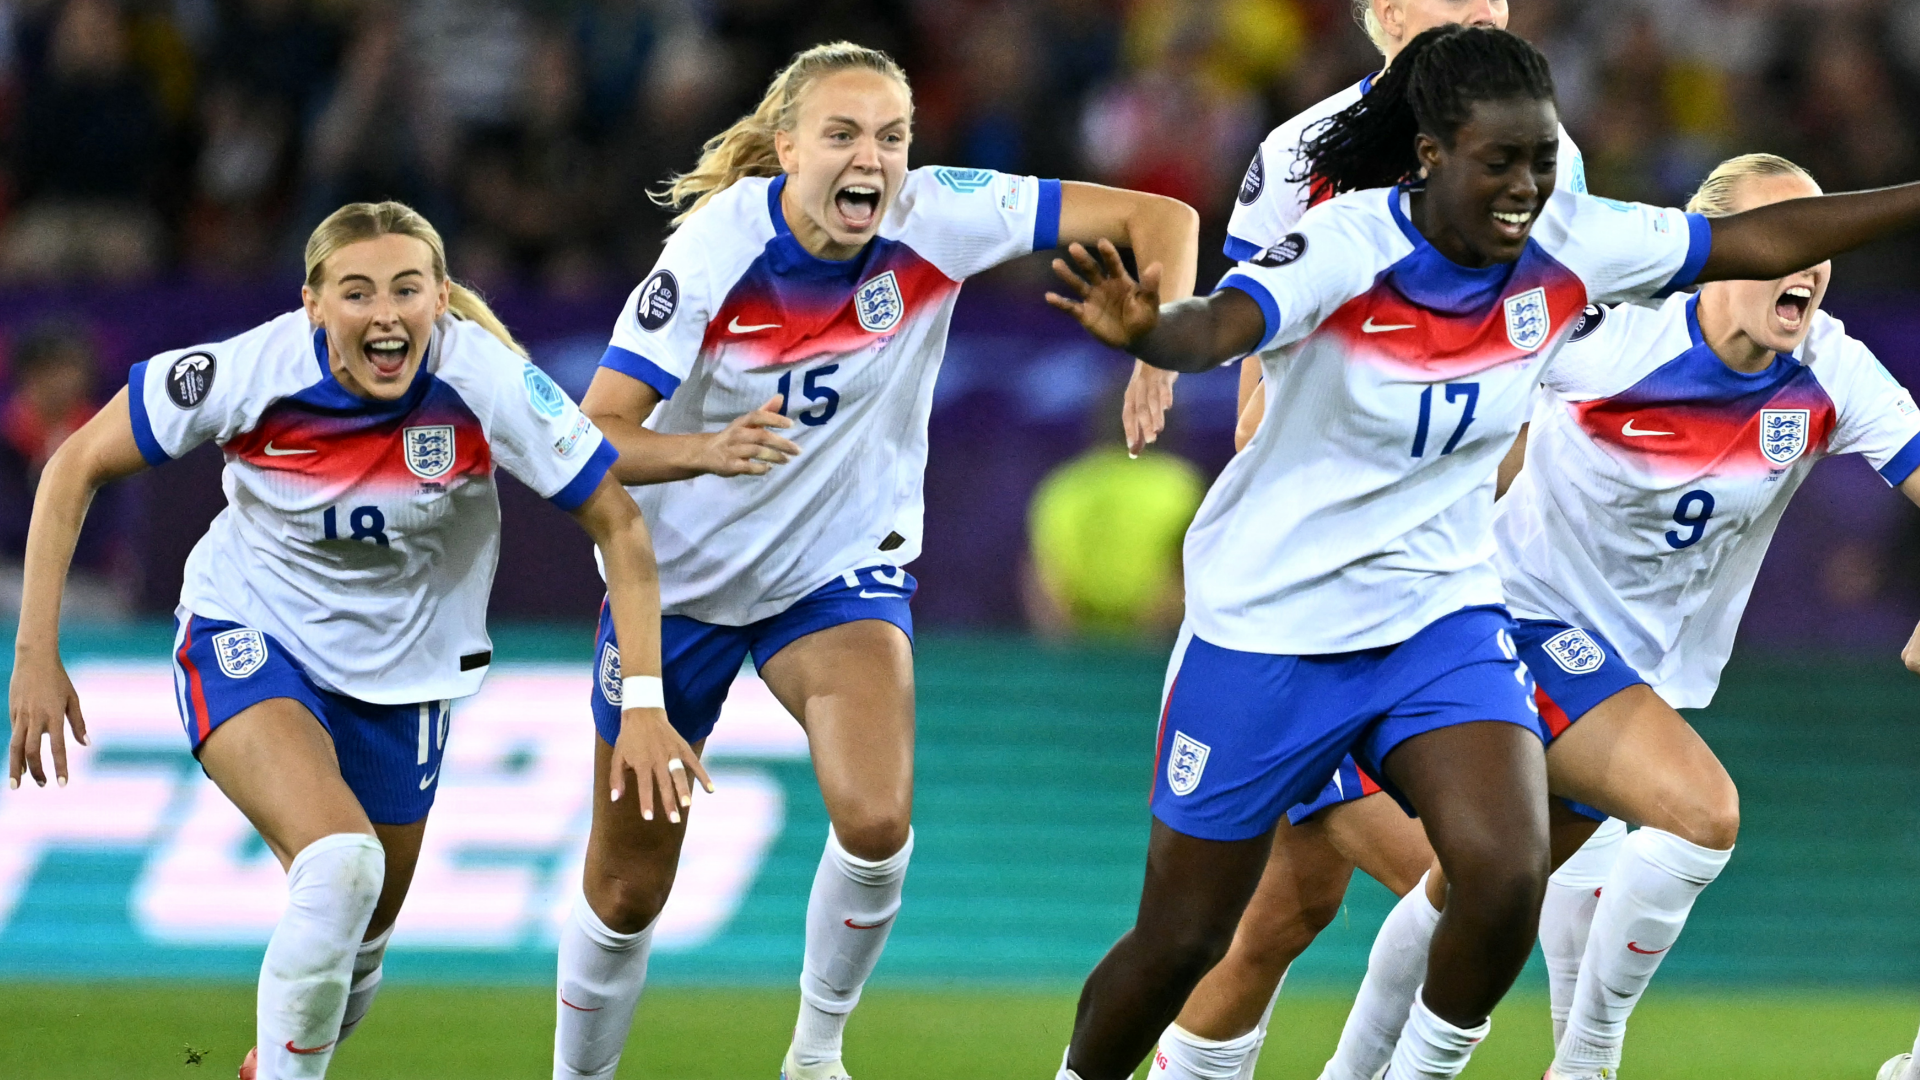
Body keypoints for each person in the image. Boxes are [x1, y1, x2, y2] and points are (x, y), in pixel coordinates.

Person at [1043, 25, 1920, 1080]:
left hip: (1439, 618)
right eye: (1499, 162)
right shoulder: (1350, 246)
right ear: (1430, 158)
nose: (1525, 188)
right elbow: (1226, 321)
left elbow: (1767, 241)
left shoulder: (1573, 246)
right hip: (1272, 623)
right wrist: (1154, 332)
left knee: (1506, 876)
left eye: (1542, 162)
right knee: (1189, 937)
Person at [553, 41, 1199, 1080]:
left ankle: (814, 1055)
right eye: (844, 135)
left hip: (835, 571)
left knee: (876, 818)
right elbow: (593, 441)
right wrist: (706, 450)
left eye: (892, 136)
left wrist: (1159, 339)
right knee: (628, 889)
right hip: (676, 591)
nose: (873, 158)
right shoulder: (716, 252)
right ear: (786, 149)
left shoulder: (938, 213)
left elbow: (1161, 219)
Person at [6, 201, 682, 1080]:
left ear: (440, 298)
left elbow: (619, 525)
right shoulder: (253, 369)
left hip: (406, 686)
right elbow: (74, 463)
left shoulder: (485, 382)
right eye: (356, 292)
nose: (385, 313)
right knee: (339, 865)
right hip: (250, 634)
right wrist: (35, 655)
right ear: (313, 304)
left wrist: (644, 705)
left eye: (407, 289)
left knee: (357, 946)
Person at [1324, 151, 1920, 1080]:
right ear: (1722, 247)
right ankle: (1588, 1061)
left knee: (1475, 896)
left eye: (1821, 244)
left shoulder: (1831, 371)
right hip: (1514, 622)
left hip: (1638, 671)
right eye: (1784, 239)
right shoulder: (1613, 327)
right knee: (1701, 814)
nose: (1807, 261)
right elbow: (1459, 374)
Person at [1124, 4, 1596, 1075]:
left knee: (1285, 913)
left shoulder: (1541, 146)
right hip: (1311, 590)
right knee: (1445, 873)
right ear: (1382, 15)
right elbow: (1254, 347)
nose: (1478, 9)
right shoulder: (1305, 155)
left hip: (1438, 585)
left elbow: (1545, 348)